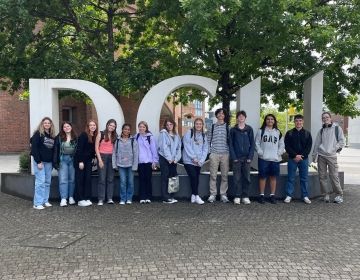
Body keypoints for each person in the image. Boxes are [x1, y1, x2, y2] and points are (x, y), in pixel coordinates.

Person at [312, 112, 345, 203]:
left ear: (330, 118)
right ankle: (325, 195)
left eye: (327, 117)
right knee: (322, 177)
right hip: (321, 156)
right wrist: (314, 156)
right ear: (322, 120)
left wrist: (333, 149)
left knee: (334, 176)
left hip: (332, 156)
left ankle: (339, 195)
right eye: (323, 117)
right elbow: (317, 144)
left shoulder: (337, 129)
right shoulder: (321, 130)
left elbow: (342, 142)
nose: (325, 118)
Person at [255, 113, 285, 204]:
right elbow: (257, 144)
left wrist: (278, 154)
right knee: (262, 177)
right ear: (265, 121)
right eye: (268, 119)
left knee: (273, 177)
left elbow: (281, 145)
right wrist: (261, 153)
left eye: (272, 119)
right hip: (263, 159)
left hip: (274, 159)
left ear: (274, 121)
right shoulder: (261, 131)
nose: (270, 121)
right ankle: (261, 196)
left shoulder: (278, 132)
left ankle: (272, 196)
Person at [284, 114, 312, 204]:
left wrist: (301, 156)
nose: (298, 122)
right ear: (294, 122)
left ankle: (305, 196)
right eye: (296, 121)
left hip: (304, 159)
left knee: (304, 178)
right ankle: (289, 195)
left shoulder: (307, 133)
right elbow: (287, 146)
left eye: (300, 121)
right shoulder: (289, 133)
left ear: (303, 122)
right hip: (292, 159)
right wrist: (295, 155)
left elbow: (308, 147)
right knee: (291, 178)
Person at [229, 110, 255, 205]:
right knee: (237, 178)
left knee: (247, 178)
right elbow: (230, 145)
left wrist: (250, 157)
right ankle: (237, 196)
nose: (241, 118)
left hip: (247, 158)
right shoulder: (233, 130)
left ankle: (245, 196)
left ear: (245, 118)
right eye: (239, 116)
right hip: (237, 158)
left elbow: (252, 144)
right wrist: (234, 157)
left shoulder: (249, 129)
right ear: (237, 118)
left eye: (242, 116)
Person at [31, 117, 56, 210]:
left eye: (48, 123)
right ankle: (37, 203)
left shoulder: (51, 135)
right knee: (40, 182)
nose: (47, 124)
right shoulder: (38, 134)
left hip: (48, 163)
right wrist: (38, 161)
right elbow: (34, 149)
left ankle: (45, 201)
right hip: (40, 162)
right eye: (45, 123)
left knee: (47, 182)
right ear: (42, 124)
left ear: (51, 125)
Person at [182, 118, 209, 204]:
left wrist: (201, 160)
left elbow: (205, 149)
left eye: (200, 124)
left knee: (196, 178)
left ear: (202, 125)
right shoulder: (189, 133)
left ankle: (193, 195)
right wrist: (194, 158)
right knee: (193, 176)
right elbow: (187, 146)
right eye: (197, 124)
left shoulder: (204, 135)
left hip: (198, 162)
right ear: (194, 124)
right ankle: (197, 196)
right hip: (189, 160)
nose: (198, 125)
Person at [207, 108, 230, 203]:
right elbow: (208, 140)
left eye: (222, 113)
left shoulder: (228, 127)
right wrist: (210, 153)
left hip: (225, 154)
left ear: (224, 116)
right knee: (213, 176)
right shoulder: (212, 127)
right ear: (216, 115)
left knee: (224, 176)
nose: (221, 115)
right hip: (214, 154)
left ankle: (223, 194)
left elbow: (230, 141)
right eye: (219, 113)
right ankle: (213, 194)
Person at [112, 123, 138, 205]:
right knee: (123, 182)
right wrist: (114, 164)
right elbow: (114, 153)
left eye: (128, 129)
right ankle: (123, 199)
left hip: (130, 165)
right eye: (125, 129)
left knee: (130, 182)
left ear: (130, 131)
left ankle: (129, 198)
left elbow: (136, 153)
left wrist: (135, 165)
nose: (126, 130)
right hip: (120, 165)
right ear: (122, 130)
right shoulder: (117, 140)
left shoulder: (133, 140)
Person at [53, 121, 77, 207]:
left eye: (68, 126)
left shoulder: (75, 137)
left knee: (72, 179)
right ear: (62, 128)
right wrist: (55, 163)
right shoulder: (59, 137)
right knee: (63, 179)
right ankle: (63, 198)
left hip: (72, 160)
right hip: (62, 160)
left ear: (71, 127)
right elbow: (55, 150)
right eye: (64, 127)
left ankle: (71, 197)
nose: (66, 128)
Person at [158, 118, 182, 204]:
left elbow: (179, 148)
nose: (169, 126)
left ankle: (172, 196)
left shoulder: (176, 135)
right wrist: (169, 158)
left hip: (173, 160)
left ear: (173, 125)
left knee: (173, 177)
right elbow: (164, 147)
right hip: (165, 159)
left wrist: (176, 159)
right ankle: (165, 198)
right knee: (165, 177)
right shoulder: (163, 134)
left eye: (171, 124)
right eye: (167, 125)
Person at [74, 120, 98, 207]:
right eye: (90, 125)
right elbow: (79, 149)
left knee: (87, 179)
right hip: (81, 161)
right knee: (80, 180)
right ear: (87, 127)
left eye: (94, 125)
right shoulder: (84, 135)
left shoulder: (94, 136)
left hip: (88, 161)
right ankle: (80, 199)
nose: (92, 126)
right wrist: (80, 161)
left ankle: (87, 198)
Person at [95, 119, 117, 205]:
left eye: (113, 126)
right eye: (110, 125)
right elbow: (96, 147)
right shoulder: (101, 134)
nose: (111, 127)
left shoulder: (115, 136)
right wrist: (99, 160)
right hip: (102, 157)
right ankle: (101, 199)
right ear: (107, 125)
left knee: (110, 179)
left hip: (112, 158)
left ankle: (109, 198)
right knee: (102, 179)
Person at [137, 121, 158, 204]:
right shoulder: (136, 136)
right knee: (141, 180)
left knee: (148, 180)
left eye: (143, 127)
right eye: (140, 127)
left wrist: (155, 161)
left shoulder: (150, 137)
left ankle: (148, 197)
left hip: (149, 162)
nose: (141, 128)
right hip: (140, 162)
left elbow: (154, 150)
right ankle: (142, 197)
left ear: (146, 128)